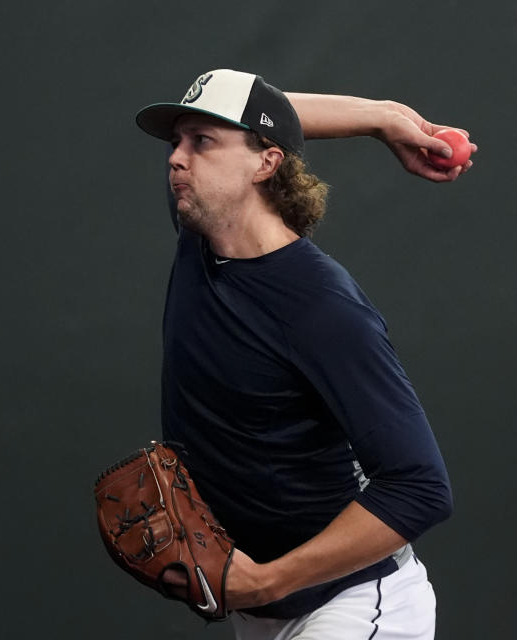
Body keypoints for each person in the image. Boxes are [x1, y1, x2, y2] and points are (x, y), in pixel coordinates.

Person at [135, 69, 475, 640]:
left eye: (202, 142)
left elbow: (420, 487)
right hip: (264, 612)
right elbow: (267, 112)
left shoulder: (321, 307)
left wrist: (269, 581)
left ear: (266, 164)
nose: (176, 158)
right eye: (177, 140)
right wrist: (383, 118)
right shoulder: (200, 239)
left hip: (355, 604)